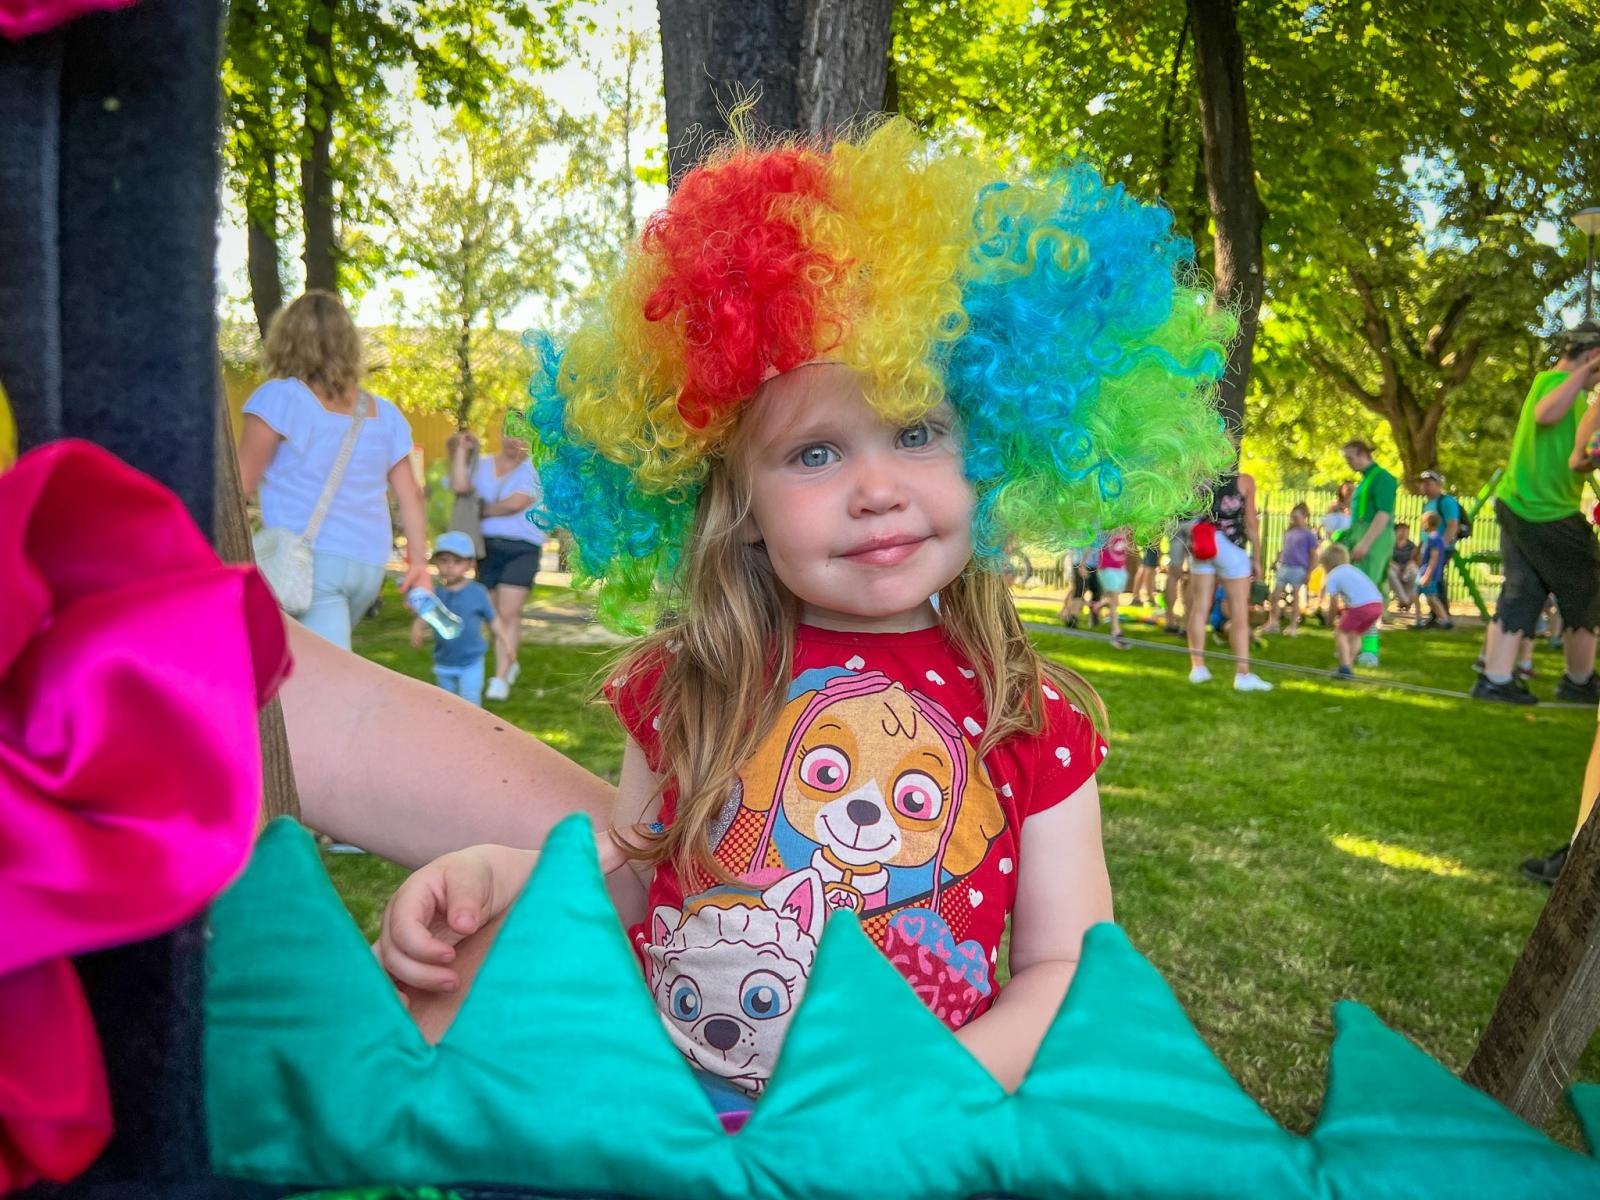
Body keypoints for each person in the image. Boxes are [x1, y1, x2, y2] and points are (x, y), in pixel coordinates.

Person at [370, 120, 1234, 1110]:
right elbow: (635, 886)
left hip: (915, 1144)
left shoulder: (1029, 713)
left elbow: (1062, 969)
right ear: (736, 501)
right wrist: (501, 873)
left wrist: (932, 1100)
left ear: (993, 455)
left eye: (915, 433)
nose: (875, 488)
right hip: (685, 1134)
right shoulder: (684, 686)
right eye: (814, 453)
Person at [236, 290, 429, 649]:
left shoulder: (280, 398)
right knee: (307, 671)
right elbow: (410, 495)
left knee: (319, 682)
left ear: (285, 340)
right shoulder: (385, 413)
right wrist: (418, 563)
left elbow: (239, 486)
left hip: (308, 566)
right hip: (368, 564)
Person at [1474, 321, 1600, 704]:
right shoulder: (1553, 384)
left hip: (1519, 506)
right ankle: (1579, 682)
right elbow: (1547, 415)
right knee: (1588, 591)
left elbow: (1578, 455)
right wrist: (1583, 374)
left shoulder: (1573, 395)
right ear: (1592, 357)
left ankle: (1495, 680)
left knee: (1522, 591)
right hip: (1546, 512)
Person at [450, 426, 546, 701]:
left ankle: (501, 677)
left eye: (521, 435)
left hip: (522, 547)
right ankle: (508, 660)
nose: (514, 441)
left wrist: (479, 508)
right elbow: (460, 487)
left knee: (509, 612)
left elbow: (515, 504)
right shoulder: (481, 464)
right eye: (510, 433)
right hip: (486, 546)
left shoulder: (534, 469)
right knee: (492, 614)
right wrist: (460, 453)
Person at [1185, 462, 1273, 691]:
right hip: (1231, 546)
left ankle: (1198, 667)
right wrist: (1257, 557)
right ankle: (1242, 674)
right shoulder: (1244, 481)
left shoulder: (1200, 478)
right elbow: (1251, 522)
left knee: (1199, 606)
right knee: (1239, 611)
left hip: (1203, 543)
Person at [409, 531, 513, 707]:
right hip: (444, 661)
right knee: (447, 704)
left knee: (470, 701)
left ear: (470, 564)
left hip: (471, 661)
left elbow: (493, 620)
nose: (450, 567)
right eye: (444, 561)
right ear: (435, 562)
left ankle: (473, 732)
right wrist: (417, 629)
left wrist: (506, 642)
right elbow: (426, 615)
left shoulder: (478, 592)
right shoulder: (435, 594)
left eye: (457, 561)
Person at [1338, 440, 1397, 666]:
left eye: (1350, 458)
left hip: (1374, 538)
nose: (1348, 463)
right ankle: (1354, 645)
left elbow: (1383, 515)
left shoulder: (1383, 478)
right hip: (1361, 536)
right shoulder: (1364, 481)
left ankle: (1370, 650)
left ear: (1363, 454)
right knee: (1355, 593)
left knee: (1367, 594)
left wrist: (1365, 543)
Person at [1319, 543, 1384, 678]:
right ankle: (1348, 665)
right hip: (1377, 604)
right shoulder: (1351, 569)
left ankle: (1344, 668)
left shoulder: (1333, 575)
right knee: (1355, 634)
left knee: (1340, 633)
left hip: (1362, 606)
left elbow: (1333, 603)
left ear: (1327, 564)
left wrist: (1329, 620)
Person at [1263, 502, 1317, 635]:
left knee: (1295, 597)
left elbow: (1313, 554)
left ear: (1304, 517)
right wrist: (1276, 561)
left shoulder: (1309, 534)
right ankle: (1273, 622)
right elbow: (1284, 549)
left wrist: (1309, 572)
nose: (1293, 520)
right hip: (1284, 566)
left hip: (1298, 568)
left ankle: (1293, 626)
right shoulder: (1289, 532)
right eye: (1292, 517)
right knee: (1274, 595)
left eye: (1296, 517)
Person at [1418, 469, 1460, 608]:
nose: (1425, 486)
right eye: (1423, 483)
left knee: (1436, 579)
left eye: (1428, 483)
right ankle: (1435, 614)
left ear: (1438, 485)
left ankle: (1442, 615)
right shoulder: (1427, 503)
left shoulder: (1446, 501)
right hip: (1428, 546)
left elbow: (1452, 524)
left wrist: (1442, 546)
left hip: (1439, 546)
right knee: (1431, 580)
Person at [1411, 512, 1454, 631]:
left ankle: (1445, 620)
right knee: (1415, 593)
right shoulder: (1433, 538)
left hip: (1428, 573)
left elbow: (1433, 558)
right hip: (1423, 571)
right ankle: (1418, 620)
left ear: (1427, 523)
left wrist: (1427, 575)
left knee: (1431, 598)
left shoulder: (1434, 538)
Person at [1098, 529, 1132, 648]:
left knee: (1112, 600)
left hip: (1120, 569)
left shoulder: (1125, 530)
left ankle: (1096, 606)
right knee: (1114, 602)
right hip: (1108, 569)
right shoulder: (1106, 530)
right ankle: (1116, 633)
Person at [1388, 522, 1419, 623]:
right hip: (1394, 569)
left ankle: (1404, 600)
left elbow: (1415, 560)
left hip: (1407, 570)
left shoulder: (1411, 546)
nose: (1403, 533)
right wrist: (1394, 565)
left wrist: (1407, 568)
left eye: (1406, 531)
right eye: (1401, 530)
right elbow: (1386, 559)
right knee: (1390, 573)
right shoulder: (1390, 543)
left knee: (1414, 573)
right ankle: (1404, 599)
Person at [1133, 542, 1160, 607]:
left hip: (1148, 538)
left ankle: (1137, 596)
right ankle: (1149, 596)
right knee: (1149, 567)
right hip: (1152, 537)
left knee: (1145, 565)